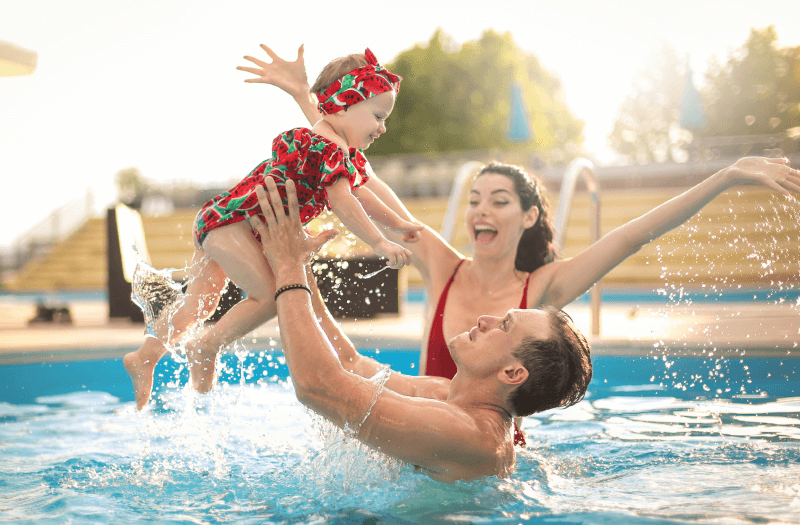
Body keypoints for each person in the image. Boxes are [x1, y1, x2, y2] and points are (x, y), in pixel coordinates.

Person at [244, 42, 799, 445]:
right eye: (476, 198)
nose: (481, 210)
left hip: (452, 440)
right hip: (426, 423)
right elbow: (357, 177)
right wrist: (309, 102)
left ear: (530, 216)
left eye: (500, 201)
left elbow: (634, 235)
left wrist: (725, 177)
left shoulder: (543, 292)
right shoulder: (444, 271)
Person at [124, 48, 423, 410]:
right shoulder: (326, 147)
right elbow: (345, 203)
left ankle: (145, 355)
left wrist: (399, 223)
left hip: (221, 220)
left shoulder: (337, 149)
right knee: (270, 297)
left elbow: (361, 194)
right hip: (234, 224)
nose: (382, 127)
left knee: (201, 303)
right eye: (377, 116)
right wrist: (378, 241)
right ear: (343, 105)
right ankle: (205, 347)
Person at [248, 177, 593, 482]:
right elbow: (350, 365)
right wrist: (299, 264)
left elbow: (318, 387)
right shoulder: (448, 395)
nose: (486, 320)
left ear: (513, 372)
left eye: (504, 325)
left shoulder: (469, 435)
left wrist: (288, 265)